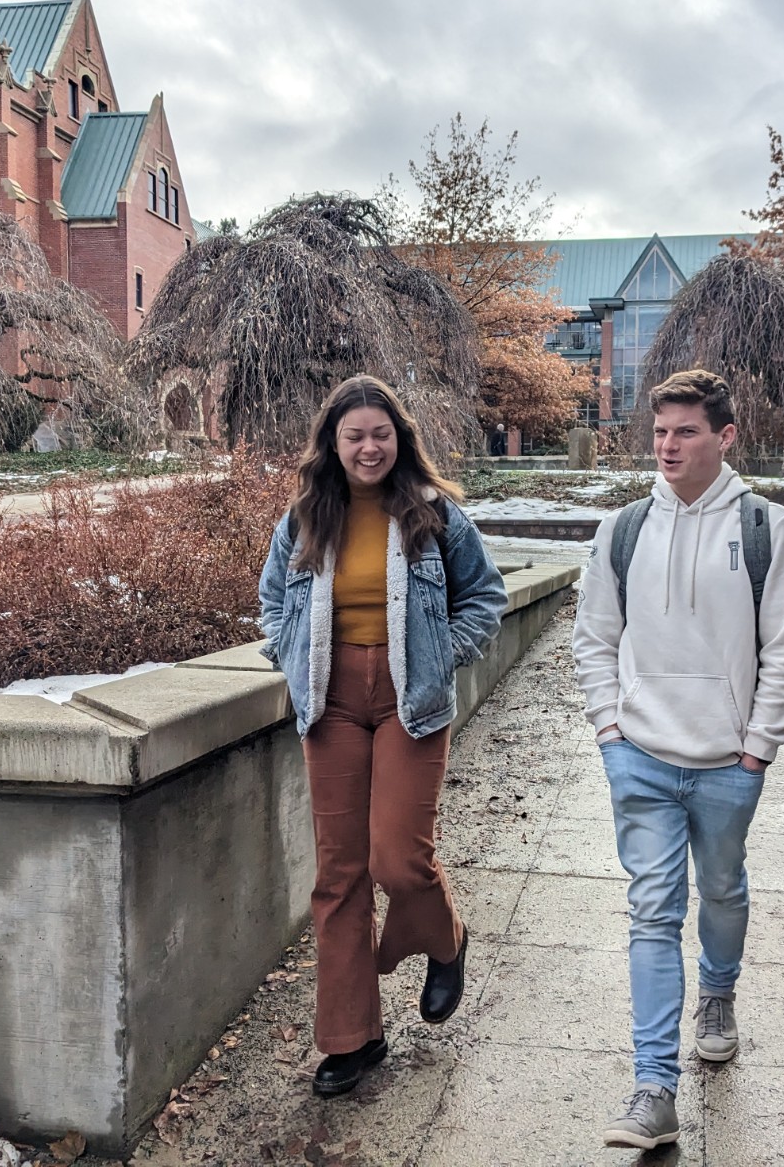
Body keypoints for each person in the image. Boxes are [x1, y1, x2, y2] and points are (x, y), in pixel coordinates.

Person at [573, 369, 784, 1150]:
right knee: (651, 911)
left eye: (685, 432)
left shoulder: (767, 529)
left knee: (720, 887)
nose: (668, 446)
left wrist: (756, 751)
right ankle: (653, 1086)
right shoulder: (622, 530)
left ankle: (719, 992)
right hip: (639, 754)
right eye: (660, 432)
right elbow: (594, 639)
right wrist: (610, 734)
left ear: (726, 437)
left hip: (725, 763)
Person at [259, 374, 507, 1098]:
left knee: (398, 861)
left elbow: (486, 596)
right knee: (339, 877)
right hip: (330, 705)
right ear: (332, 447)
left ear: (399, 439)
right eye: (354, 436)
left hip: (410, 703)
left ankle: (446, 936)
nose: (369, 447)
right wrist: (286, 652)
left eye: (380, 433)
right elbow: (273, 601)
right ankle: (352, 1039)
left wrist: (442, 656)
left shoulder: (434, 514)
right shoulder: (305, 518)